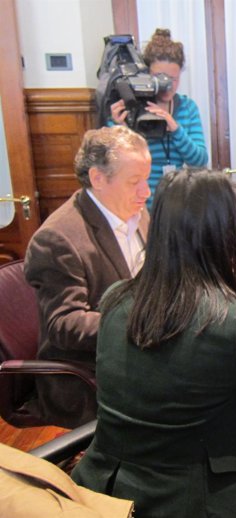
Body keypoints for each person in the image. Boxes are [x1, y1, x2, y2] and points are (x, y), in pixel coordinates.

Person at [71, 169, 236, 518]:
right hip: (189, 503)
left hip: (101, 491)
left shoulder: (116, 300)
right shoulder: (232, 321)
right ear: (221, 235)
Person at [24, 125, 151, 429]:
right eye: (134, 181)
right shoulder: (58, 238)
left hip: (136, 357)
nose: (145, 192)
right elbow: (63, 325)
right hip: (87, 376)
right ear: (98, 178)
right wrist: (143, 321)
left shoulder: (138, 212)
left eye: (146, 179)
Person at [109, 28, 208, 199]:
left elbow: (199, 161)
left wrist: (175, 128)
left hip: (176, 202)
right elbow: (113, 165)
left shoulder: (187, 108)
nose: (167, 85)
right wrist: (122, 130)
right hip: (137, 200)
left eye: (173, 79)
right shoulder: (129, 108)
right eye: (159, 77)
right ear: (147, 74)